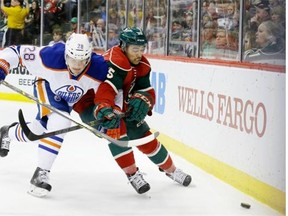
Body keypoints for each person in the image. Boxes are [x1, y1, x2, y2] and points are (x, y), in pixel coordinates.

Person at [74, 27, 192, 194]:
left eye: (142, 49)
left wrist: (145, 99)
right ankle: (132, 174)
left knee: (145, 136)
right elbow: (106, 89)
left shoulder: (142, 64)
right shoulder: (115, 61)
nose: (139, 53)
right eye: (135, 49)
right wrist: (104, 108)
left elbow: (147, 89)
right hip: (92, 105)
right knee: (116, 130)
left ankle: (171, 170)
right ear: (123, 46)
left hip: (118, 102)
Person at [0, 33, 120, 197]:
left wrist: (114, 110)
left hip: (68, 99)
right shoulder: (51, 56)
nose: (77, 65)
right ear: (66, 54)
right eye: (72, 59)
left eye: (82, 60)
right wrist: (2, 65)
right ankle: (41, 172)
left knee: (37, 131)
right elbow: (15, 51)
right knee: (60, 121)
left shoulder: (99, 67)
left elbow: (114, 89)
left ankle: (7, 132)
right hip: (46, 84)